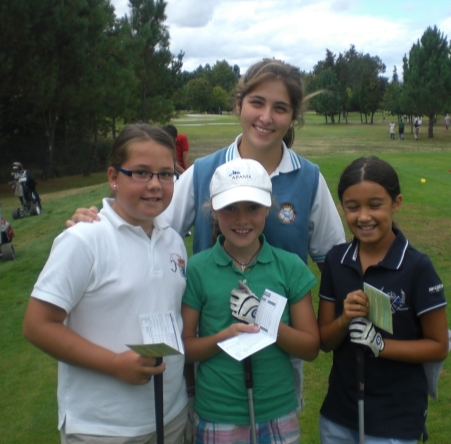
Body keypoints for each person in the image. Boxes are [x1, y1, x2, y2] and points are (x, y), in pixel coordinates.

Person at [68, 58, 346, 410]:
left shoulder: (308, 178)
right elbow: (148, 222)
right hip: (213, 351)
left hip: (280, 355)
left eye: (280, 108)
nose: (266, 117)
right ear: (239, 104)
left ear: (293, 117)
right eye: (257, 103)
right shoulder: (203, 172)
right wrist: (101, 220)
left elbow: (335, 261)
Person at [23, 124, 189, 443]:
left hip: (171, 416)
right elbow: (37, 325)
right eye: (141, 173)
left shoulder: (173, 241)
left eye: (166, 174)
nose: (155, 185)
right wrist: (114, 364)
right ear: (114, 177)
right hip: (104, 428)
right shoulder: (84, 239)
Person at [182, 158, 320, 443]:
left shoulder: (289, 266)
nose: (241, 219)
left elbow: (310, 347)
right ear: (213, 210)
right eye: (229, 208)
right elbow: (186, 347)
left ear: (268, 208)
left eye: (253, 208)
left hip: (277, 408)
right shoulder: (197, 269)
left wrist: (263, 320)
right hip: (218, 410)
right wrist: (225, 336)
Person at [317, 156, 449, 443]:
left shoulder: (417, 267)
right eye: (353, 207)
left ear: (396, 203)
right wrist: (344, 319)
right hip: (339, 415)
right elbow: (324, 341)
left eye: (375, 205)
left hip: (395, 420)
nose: (364, 217)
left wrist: (381, 345)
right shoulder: (336, 261)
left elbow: (438, 346)